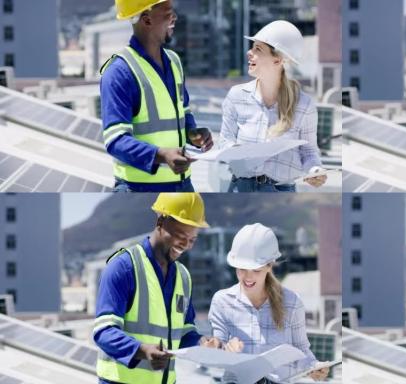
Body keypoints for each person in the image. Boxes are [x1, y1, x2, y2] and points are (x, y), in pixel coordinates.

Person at [94, 193, 223, 384]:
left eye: (192, 240)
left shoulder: (183, 277)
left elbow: (186, 331)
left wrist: (202, 343)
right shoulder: (124, 267)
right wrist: (142, 350)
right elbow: (103, 331)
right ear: (161, 222)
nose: (186, 246)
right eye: (181, 236)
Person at [100, 0, 214, 193]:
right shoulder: (119, 72)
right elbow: (115, 140)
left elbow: (183, 112)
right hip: (138, 189)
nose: (175, 17)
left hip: (183, 185)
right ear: (147, 20)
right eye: (168, 12)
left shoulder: (174, 61)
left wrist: (193, 133)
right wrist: (161, 155)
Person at [208, 223, 329, 383]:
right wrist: (223, 348)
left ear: (269, 266)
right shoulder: (222, 301)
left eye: (256, 270)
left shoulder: (292, 302)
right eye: (242, 269)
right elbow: (218, 345)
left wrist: (314, 367)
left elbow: (301, 350)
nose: (248, 277)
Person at [218, 20, 326, 192]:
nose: (249, 52)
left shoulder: (304, 104)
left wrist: (315, 171)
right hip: (239, 187)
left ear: (278, 60)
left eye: (257, 49)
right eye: (252, 47)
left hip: (280, 192)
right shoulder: (236, 95)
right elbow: (224, 141)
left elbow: (309, 152)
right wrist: (238, 152)